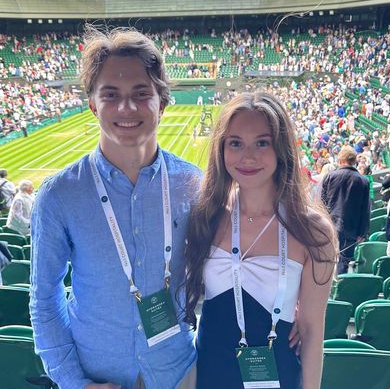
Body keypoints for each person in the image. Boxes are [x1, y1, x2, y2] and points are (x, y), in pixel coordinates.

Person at [29, 26, 200, 389]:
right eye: (111, 95)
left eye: (142, 93)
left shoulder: (194, 184)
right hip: (95, 376)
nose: (127, 107)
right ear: (92, 104)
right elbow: (45, 300)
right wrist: (75, 383)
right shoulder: (59, 194)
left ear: (163, 102)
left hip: (179, 372)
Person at [184, 92, 337, 389]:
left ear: (281, 149)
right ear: (222, 149)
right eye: (236, 143)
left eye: (262, 143)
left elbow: (311, 330)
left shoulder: (314, 231)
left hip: (278, 375)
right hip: (210, 374)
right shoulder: (205, 216)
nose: (248, 157)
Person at [321, 146, 370, 274]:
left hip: (330, 226)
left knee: (328, 261)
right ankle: (340, 290)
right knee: (344, 262)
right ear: (354, 161)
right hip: (351, 229)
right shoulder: (363, 181)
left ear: (341, 159)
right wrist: (362, 233)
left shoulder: (330, 176)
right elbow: (365, 210)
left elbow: (322, 204)